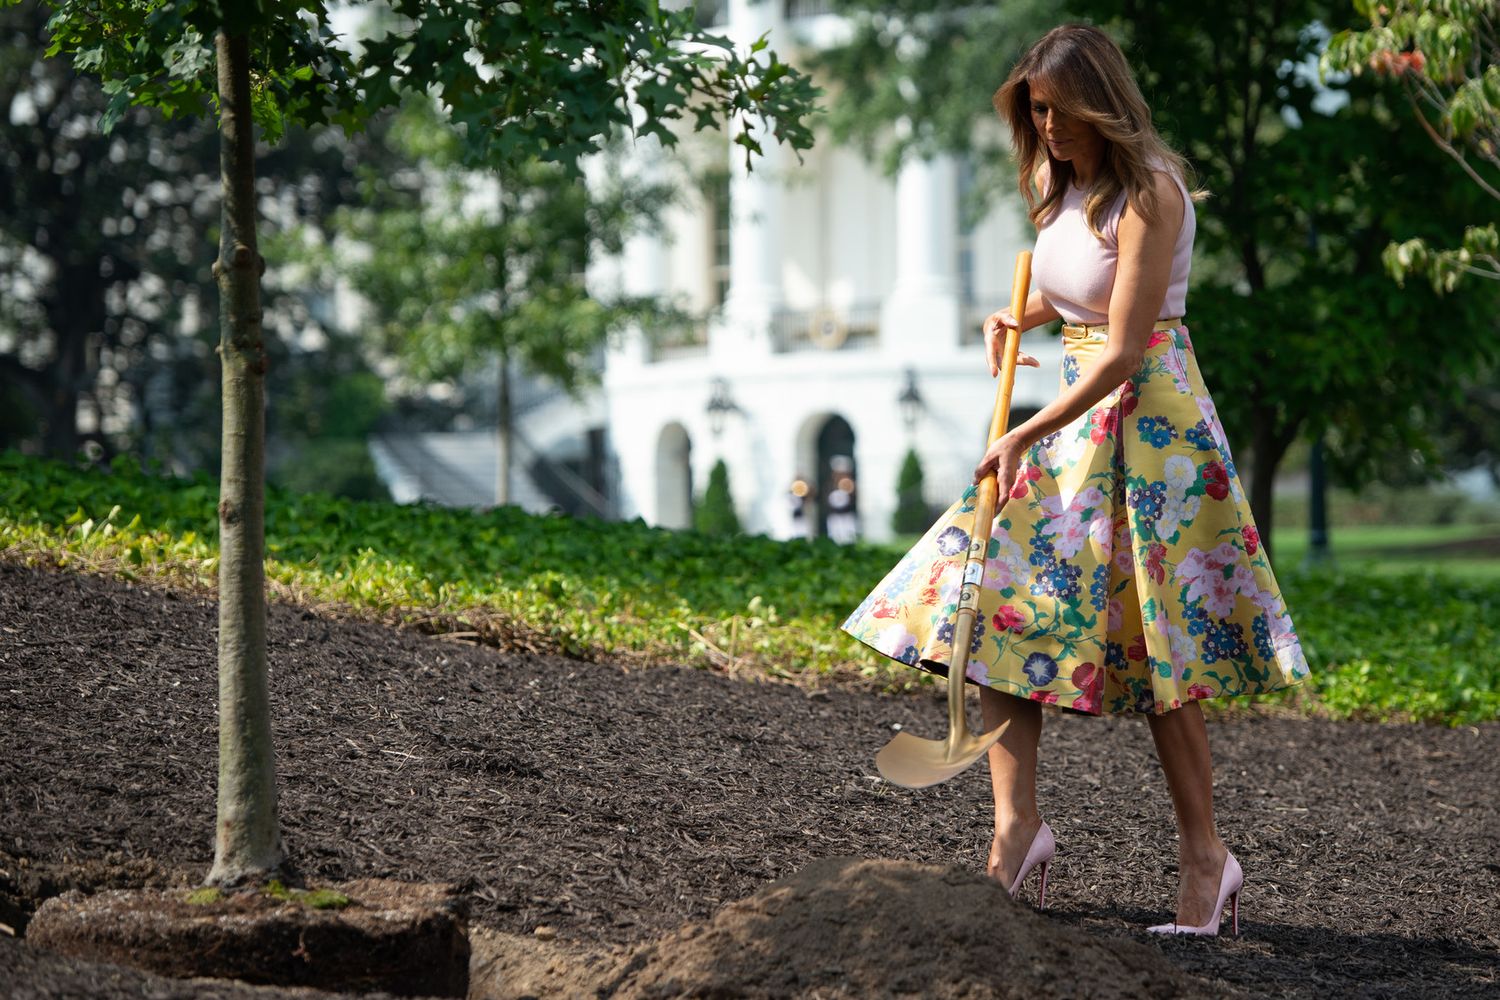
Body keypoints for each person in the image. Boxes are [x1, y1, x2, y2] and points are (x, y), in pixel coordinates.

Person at [841, 24, 1309, 937]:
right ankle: (1016, 834)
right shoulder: (1064, 188)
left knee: (1159, 654)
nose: (1045, 126)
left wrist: (1026, 428)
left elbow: (1127, 344)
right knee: (999, 615)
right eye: (1035, 111)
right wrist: (1011, 314)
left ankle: (1207, 861)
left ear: (1100, 101)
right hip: (1078, 417)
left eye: (1056, 108)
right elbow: (1072, 295)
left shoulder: (1152, 193)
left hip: (1149, 427)